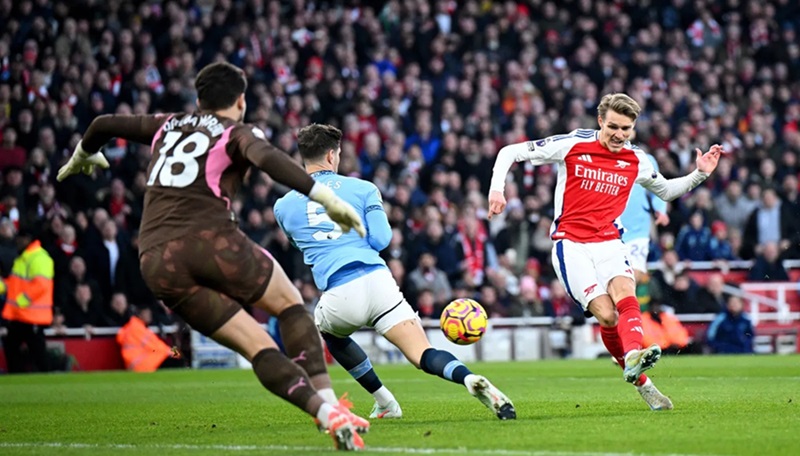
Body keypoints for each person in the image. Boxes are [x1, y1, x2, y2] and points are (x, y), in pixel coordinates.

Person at [56, 62, 369, 450]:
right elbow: (268, 158)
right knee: (291, 308)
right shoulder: (237, 130)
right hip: (211, 241)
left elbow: (102, 123)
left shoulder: (167, 123)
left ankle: (326, 415)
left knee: (257, 347)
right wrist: (323, 196)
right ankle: (328, 401)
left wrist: (83, 155)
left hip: (155, 259)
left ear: (199, 100)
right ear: (241, 100)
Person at [488, 93, 723, 411]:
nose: (619, 135)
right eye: (613, 126)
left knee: (627, 295)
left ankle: (631, 360)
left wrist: (701, 173)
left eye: (626, 129)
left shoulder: (636, 160)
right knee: (607, 315)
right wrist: (497, 189)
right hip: (571, 245)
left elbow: (666, 191)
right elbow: (510, 152)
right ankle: (643, 382)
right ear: (600, 121)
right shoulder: (573, 144)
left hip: (610, 242)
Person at [274, 124, 516, 421]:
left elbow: (300, 243)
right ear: (331, 156)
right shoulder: (363, 189)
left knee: (329, 332)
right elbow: (381, 240)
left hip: (339, 292)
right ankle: (468, 379)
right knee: (422, 354)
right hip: (379, 283)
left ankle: (384, 400)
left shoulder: (282, 206)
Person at [0, 224, 54, 373]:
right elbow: (13, 283)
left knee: (37, 351)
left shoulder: (39, 258)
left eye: (20, 238)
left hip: (32, 314)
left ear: (28, 239)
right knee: (12, 345)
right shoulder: (23, 258)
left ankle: (46, 377)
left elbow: (41, 285)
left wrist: (21, 301)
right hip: (22, 315)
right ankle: (18, 374)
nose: (17, 241)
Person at [619, 149, 669, 307]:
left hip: (637, 230)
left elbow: (658, 188)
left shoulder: (645, 159)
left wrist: (660, 209)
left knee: (635, 276)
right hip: (609, 230)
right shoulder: (600, 160)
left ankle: (628, 316)